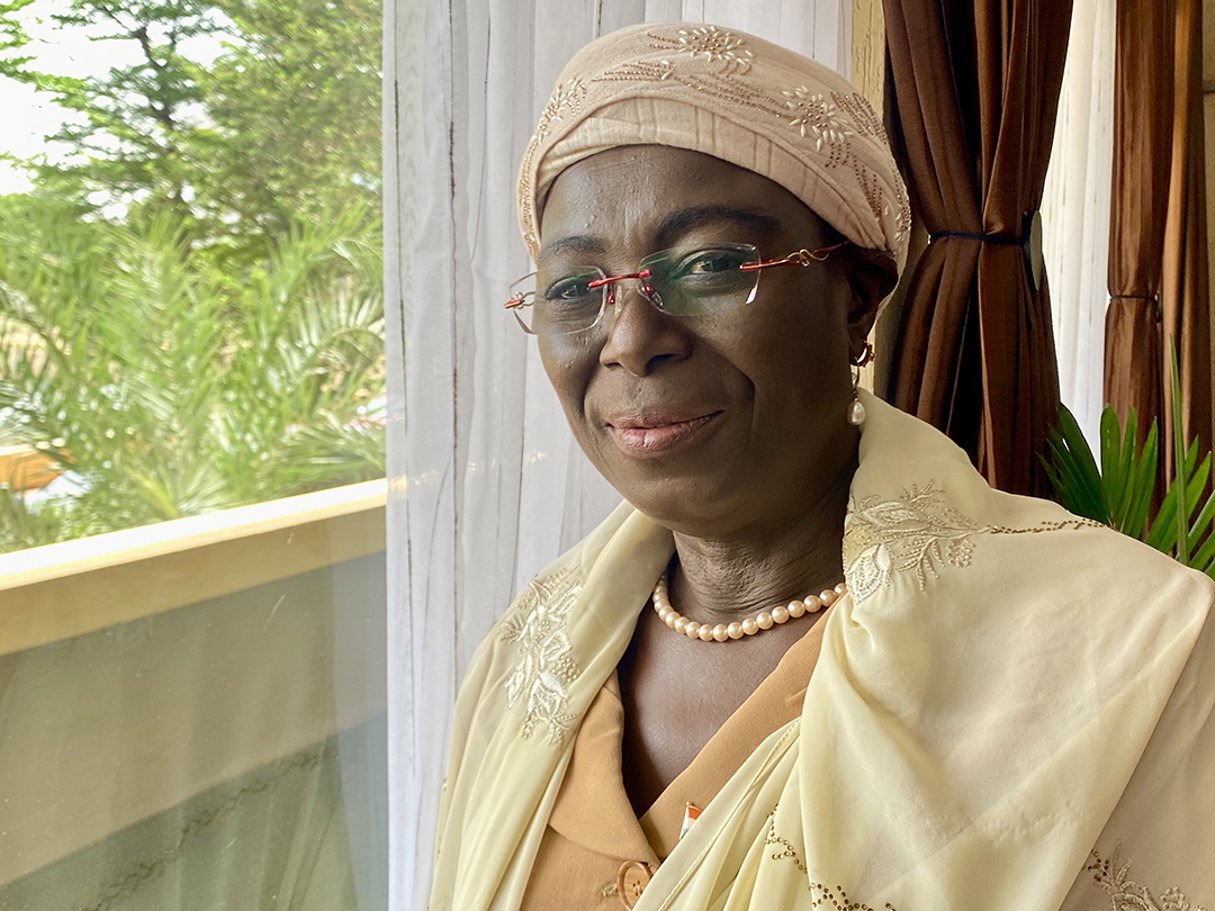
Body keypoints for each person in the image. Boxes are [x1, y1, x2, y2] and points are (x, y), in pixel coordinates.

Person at [428, 22, 1215, 911]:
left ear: (857, 300)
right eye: (577, 286)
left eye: (714, 264)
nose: (633, 339)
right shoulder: (524, 660)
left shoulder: (1122, 649)